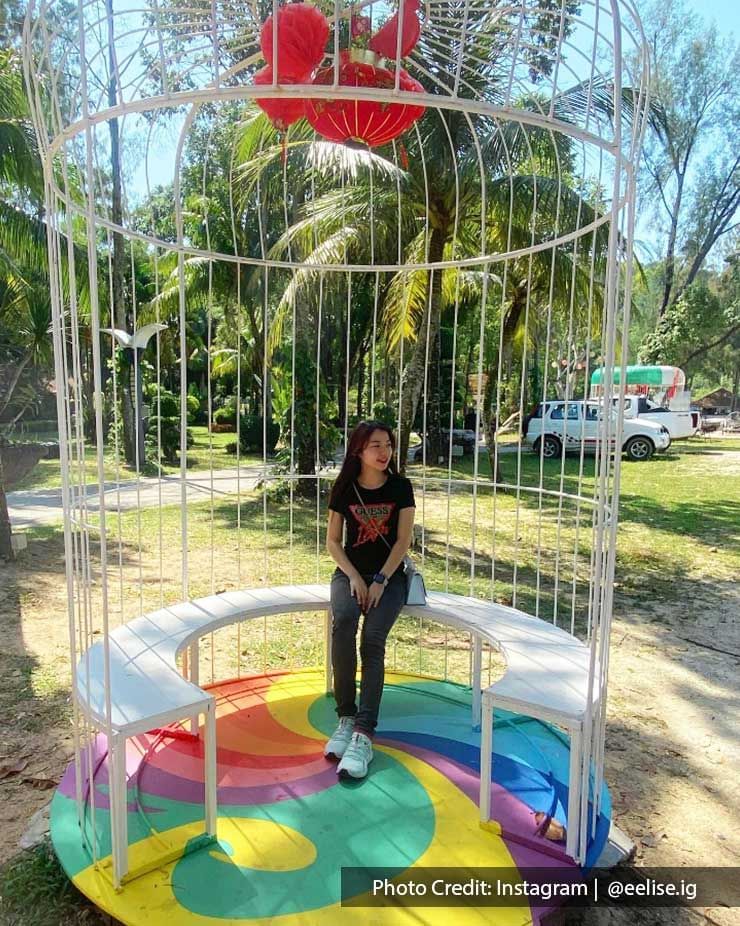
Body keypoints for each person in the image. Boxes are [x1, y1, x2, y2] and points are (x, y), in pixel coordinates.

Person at [324, 421, 415, 780]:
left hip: (389, 578)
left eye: (388, 445)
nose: (384, 452)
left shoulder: (400, 487)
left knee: (372, 640)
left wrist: (379, 579)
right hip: (350, 574)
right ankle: (345, 718)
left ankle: (363, 734)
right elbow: (333, 541)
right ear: (358, 451)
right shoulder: (344, 488)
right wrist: (354, 576)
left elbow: (402, 541)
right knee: (343, 624)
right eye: (375, 445)